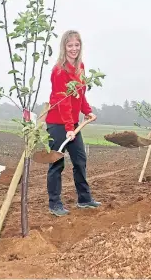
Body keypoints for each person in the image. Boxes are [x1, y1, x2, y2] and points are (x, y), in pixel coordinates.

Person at [44, 30, 100, 217]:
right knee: (57, 163)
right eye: (70, 45)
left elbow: (80, 94)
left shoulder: (80, 67)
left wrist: (88, 111)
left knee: (80, 160)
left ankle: (84, 199)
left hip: (72, 123)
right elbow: (64, 101)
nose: (74, 49)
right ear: (64, 47)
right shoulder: (59, 71)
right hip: (58, 123)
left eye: (77, 45)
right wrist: (69, 128)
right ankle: (55, 204)